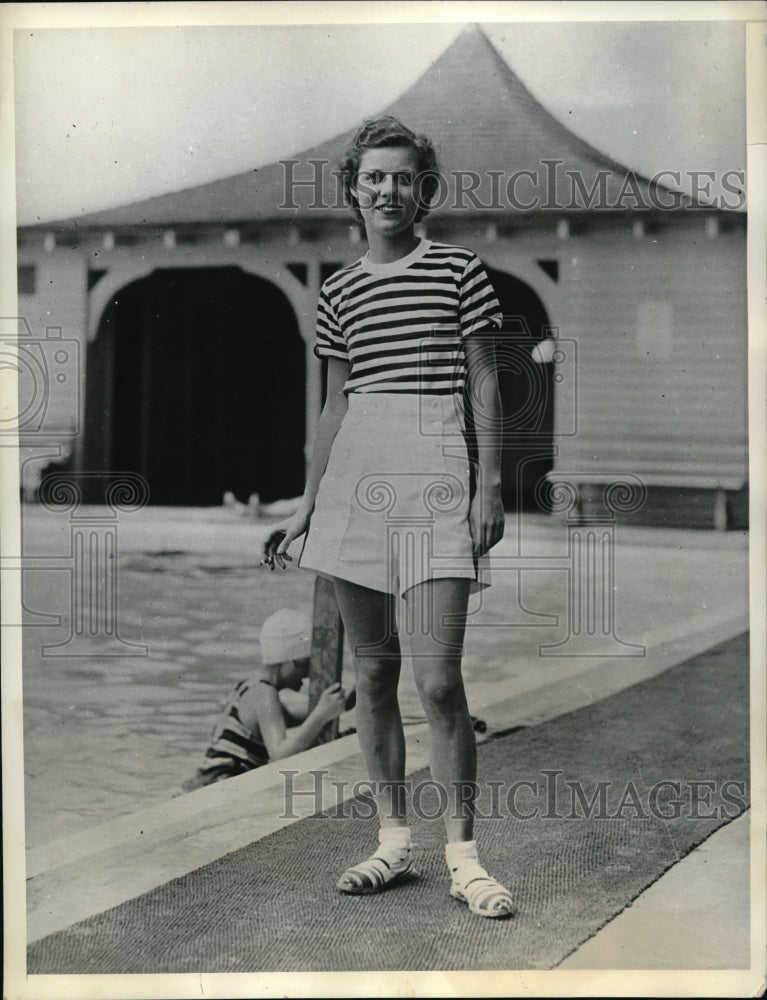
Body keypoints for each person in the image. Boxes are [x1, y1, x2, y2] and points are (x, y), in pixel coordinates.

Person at [263, 117, 514, 918]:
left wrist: (489, 488)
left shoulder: (460, 272)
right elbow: (335, 406)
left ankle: (465, 860)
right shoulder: (337, 292)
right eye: (374, 178)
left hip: (437, 469)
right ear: (354, 190)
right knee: (371, 674)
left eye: (402, 178)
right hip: (354, 480)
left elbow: (484, 387)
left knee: (438, 682)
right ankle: (392, 842)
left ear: (423, 190)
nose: (388, 190)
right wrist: (307, 506)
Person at [182, 609, 348, 791]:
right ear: (287, 662)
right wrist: (320, 716)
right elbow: (280, 756)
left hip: (208, 779)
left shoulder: (252, 688)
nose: (307, 675)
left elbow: (328, 707)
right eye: (305, 665)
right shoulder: (264, 694)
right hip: (219, 782)